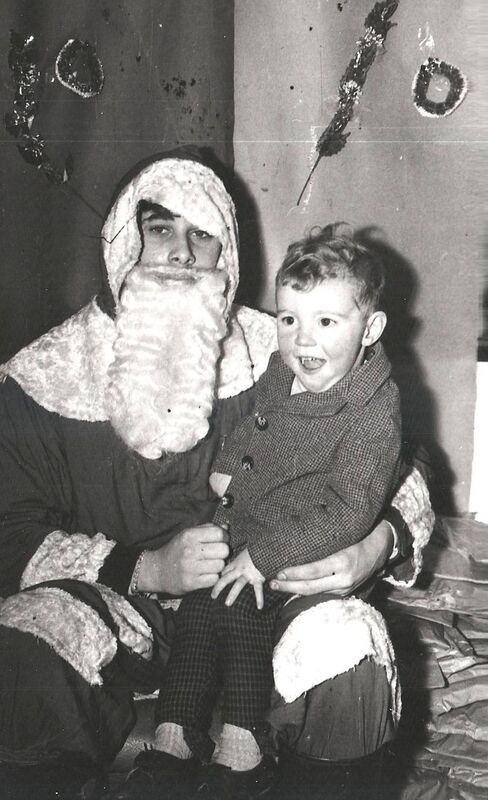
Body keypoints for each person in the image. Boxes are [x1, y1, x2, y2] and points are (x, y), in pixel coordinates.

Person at [0, 150, 433, 800]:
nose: (179, 252)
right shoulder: (39, 378)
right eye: (160, 228)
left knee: (349, 648)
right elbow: (7, 533)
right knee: (21, 661)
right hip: (113, 607)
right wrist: (143, 569)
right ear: (123, 237)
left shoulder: (283, 349)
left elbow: (399, 463)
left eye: (201, 234)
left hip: (269, 590)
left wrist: (377, 543)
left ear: (225, 250)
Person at [137, 223, 402, 800]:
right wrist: (229, 463)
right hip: (248, 530)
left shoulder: (372, 409)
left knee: (237, 609)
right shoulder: (287, 368)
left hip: (304, 551)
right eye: (288, 319)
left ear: (370, 329)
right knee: (199, 611)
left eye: (327, 323)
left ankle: (244, 737)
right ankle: (176, 730)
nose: (302, 341)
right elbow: (256, 421)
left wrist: (264, 557)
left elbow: (350, 506)